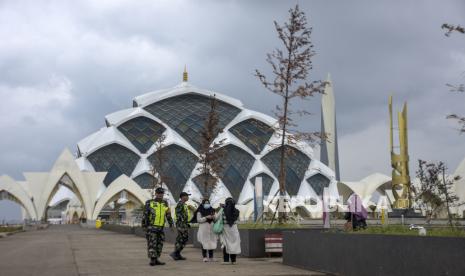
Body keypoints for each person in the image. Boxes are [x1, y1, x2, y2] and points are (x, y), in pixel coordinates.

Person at [141, 187, 174, 266]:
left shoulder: (165, 203)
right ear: (155, 194)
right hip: (151, 227)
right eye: (158, 193)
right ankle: (152, 260)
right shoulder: (149, 202)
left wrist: (171, 224)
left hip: (160, 228)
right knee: (152, 243)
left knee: (160, 243)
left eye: (161, 193)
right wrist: (144, 225)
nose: (160, 195)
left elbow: (168, 215)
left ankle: (156, 259)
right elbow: (145, 214)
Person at [215, 197, 241, 265]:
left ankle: (226, 260)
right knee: (234, 244)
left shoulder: (222, 210)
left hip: (225, 229)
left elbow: (216, 218)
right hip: (234, 229)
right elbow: (239, 220)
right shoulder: (237, 211)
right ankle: (233, 260)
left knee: (226, 244)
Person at [170, 192, 191, 261]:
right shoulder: (180, 204)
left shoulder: (184, 205)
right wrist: (180, 226)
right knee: (181, 239)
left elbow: (185, 215)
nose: (188, 197)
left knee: (184, 239)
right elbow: (178, 215)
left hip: (184, 224)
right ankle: (175, 253)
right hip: (181, 225)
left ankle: (177, 253)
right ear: (182, 197)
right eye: (187, 196)